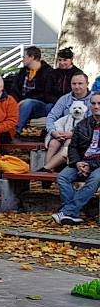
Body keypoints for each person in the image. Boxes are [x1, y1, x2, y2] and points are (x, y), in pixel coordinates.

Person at [52, 93, 100, 225]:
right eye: (93, 103)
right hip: (81, 161)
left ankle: (67, 212)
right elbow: (73, 147)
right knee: (63, 177)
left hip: (97, 164)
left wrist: (90, 165)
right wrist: (78, 162)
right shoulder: (83, 124)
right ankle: (72, 213)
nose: (96, 107)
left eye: (99, 103)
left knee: (95, 178)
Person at [42, 73, 92, 171]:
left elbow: (92, 123)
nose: (77, 86)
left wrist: (73, 134)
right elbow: (52, 116)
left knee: (69, 143)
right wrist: (53, 131)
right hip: (62, 131)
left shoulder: (93, 100)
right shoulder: (65, 99)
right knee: (53, 143)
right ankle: (47, 175)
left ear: (87, 84)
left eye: (80, 83)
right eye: (74, 84)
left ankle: (47, 169)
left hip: (83, 135)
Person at [8, 46, 53, 134]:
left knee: (28, 102)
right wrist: (15, 101)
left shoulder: (48, 72)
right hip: (22, 102)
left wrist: (25, 100)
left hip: (40, 104)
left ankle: (15, 131)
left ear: (32, 57)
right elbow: (15, 89)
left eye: (24, 57)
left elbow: (47, 94)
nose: (22, 59)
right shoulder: (23, 71)